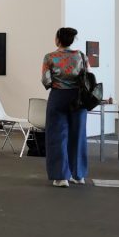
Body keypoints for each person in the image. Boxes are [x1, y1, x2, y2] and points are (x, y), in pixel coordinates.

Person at [41, 27, 88, 188]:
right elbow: (88, 76)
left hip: (58, 97)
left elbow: (46, 81)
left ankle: (61, 177)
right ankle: (78, 175)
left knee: (57, 137)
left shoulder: (50, 57)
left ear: (58, 40)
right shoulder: (81, 56)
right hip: (78, 98)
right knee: (78, 135)